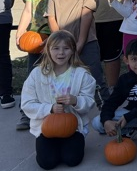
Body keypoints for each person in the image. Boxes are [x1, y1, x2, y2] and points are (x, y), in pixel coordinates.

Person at [20, 31, 96, 170]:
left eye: (66, 48)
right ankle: (53, 147)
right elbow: (27, 103)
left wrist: (76, 101)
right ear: (47, 50)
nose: (61, 53)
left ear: (73, 50)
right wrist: (50, 108)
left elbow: (89, 101)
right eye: (56, 48)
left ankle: (69, 145)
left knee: (72, 159)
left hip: (73, 127)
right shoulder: (37, 74)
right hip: (45, 128)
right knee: (47, 163)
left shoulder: (82, 75)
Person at [15, 0, 67, 130]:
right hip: (35, 38)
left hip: (55, 38)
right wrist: (20, 31)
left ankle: (57, 110)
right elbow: (28, 10)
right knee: (32, 76)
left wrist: (53, 38)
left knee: (56, 76)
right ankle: (26, 113)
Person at [47, 0, 107, 108]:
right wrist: (59, 42)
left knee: (95, 77)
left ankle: (106, 112)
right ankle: (63, 111)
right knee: (63, 78)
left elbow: (86, 16)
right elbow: (51, 18)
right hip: (62, 46)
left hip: (87, 42)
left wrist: (79, 43)